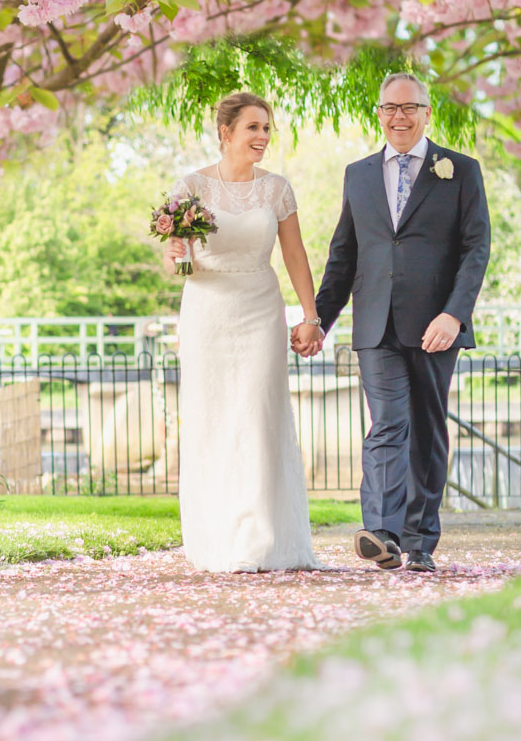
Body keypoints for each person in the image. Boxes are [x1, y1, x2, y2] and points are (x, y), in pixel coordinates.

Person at [293, 73, 490, 572]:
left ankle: (420, 539)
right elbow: (345, 254)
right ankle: (381, 532)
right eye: (389, 108)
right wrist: (319, 318)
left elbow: (475, 250)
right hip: (374, 323)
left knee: (426, 428)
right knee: (388, 424)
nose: (398, 117)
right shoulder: (358, 174)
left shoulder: (461, 170)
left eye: (409, 107)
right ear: (379, 113)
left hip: (436, 325)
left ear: (427, 113)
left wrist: (454, 313)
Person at [164, 92, 323, 572]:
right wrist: (175, 253)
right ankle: (216, 536)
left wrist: (310, 317)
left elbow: (295, 255)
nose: (262, 137)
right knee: (213, 418)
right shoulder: (190, 187)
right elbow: (175, 261)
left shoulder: (276, 189)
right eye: (253, 127)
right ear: (225, 133)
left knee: (257, 415)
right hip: (206, 311)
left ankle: (258, 538)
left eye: (267, 128)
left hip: (259, 308)